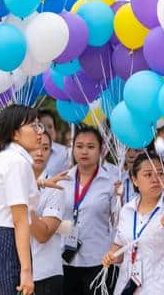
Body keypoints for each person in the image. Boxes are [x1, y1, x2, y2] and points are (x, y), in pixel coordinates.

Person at [102, 153, 164, 294]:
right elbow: (121, 245)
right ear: (134, 180)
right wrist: (112, 255)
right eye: (148, 174)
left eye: (160, 173)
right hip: (126, 288)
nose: (155, 179)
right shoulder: (127, 209)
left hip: (161, 290)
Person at [0, 105, 43, 295]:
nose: (39, 132)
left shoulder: (4, 158)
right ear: (15, 134)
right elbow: (19, 219)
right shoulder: (16, 163)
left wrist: (41, 183)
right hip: (5, 244)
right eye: (33, 126)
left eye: (40, 126)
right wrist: (26, 271)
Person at [59, 125, 118, 295]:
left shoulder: (110, 183)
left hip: (98, 259)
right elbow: (56, 219)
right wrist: (69, 230)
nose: (84, 151)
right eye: (79, 146)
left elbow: (116, 223)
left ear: (101, 150)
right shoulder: (63, 180)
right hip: (66, 259)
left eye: (91, 147)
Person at [29, 130, 65, 294]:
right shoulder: (13, 181)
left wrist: (21, 204)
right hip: (15, 269)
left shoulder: (55, 188)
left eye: (45, 148)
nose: (39, 153)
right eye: (35, 147)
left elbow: (42, 234)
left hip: (45, 271)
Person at [40, 109, 72, 176]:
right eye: (42, 126)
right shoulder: (29, 150)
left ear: (55, 129)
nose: (46, 130)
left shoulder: (64, 152)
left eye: (50, 127)